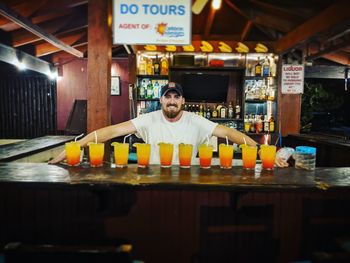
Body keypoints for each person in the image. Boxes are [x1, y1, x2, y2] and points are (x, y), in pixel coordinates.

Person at [49, 82, 277, 165]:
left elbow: (229, 133)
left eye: (176, 97)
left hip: (187, 179)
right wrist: (75, 146)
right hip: (152, 177)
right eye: (168, 96)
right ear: (161, 100)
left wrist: (262, 151)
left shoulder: (195, 121)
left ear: (183, 101)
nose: (172, 101)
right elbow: (111, 131)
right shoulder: (149, 119)